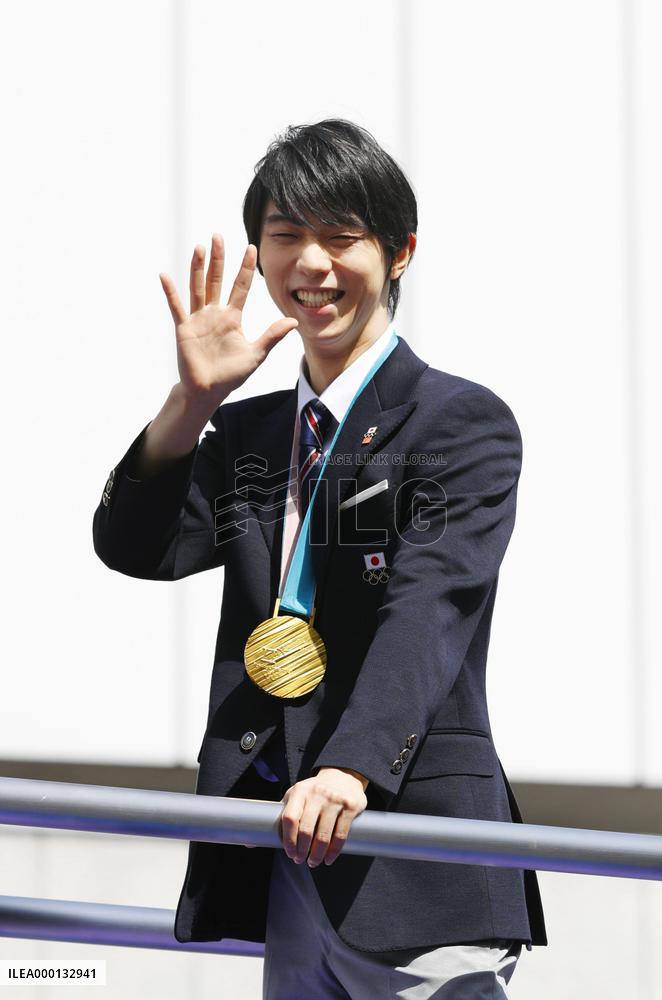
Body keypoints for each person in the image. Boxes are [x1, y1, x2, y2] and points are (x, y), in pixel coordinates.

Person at [93, 118, 546, 998]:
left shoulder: (458, 423)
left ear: (400, 251)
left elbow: (431, 606)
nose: (312, 264)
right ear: (260, 258)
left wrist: (350, 766)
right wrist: (191, 403)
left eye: (342, 237)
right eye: (286, 237)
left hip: (408, 849)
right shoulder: (249, 432)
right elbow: (134, 547)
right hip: (283, 852)